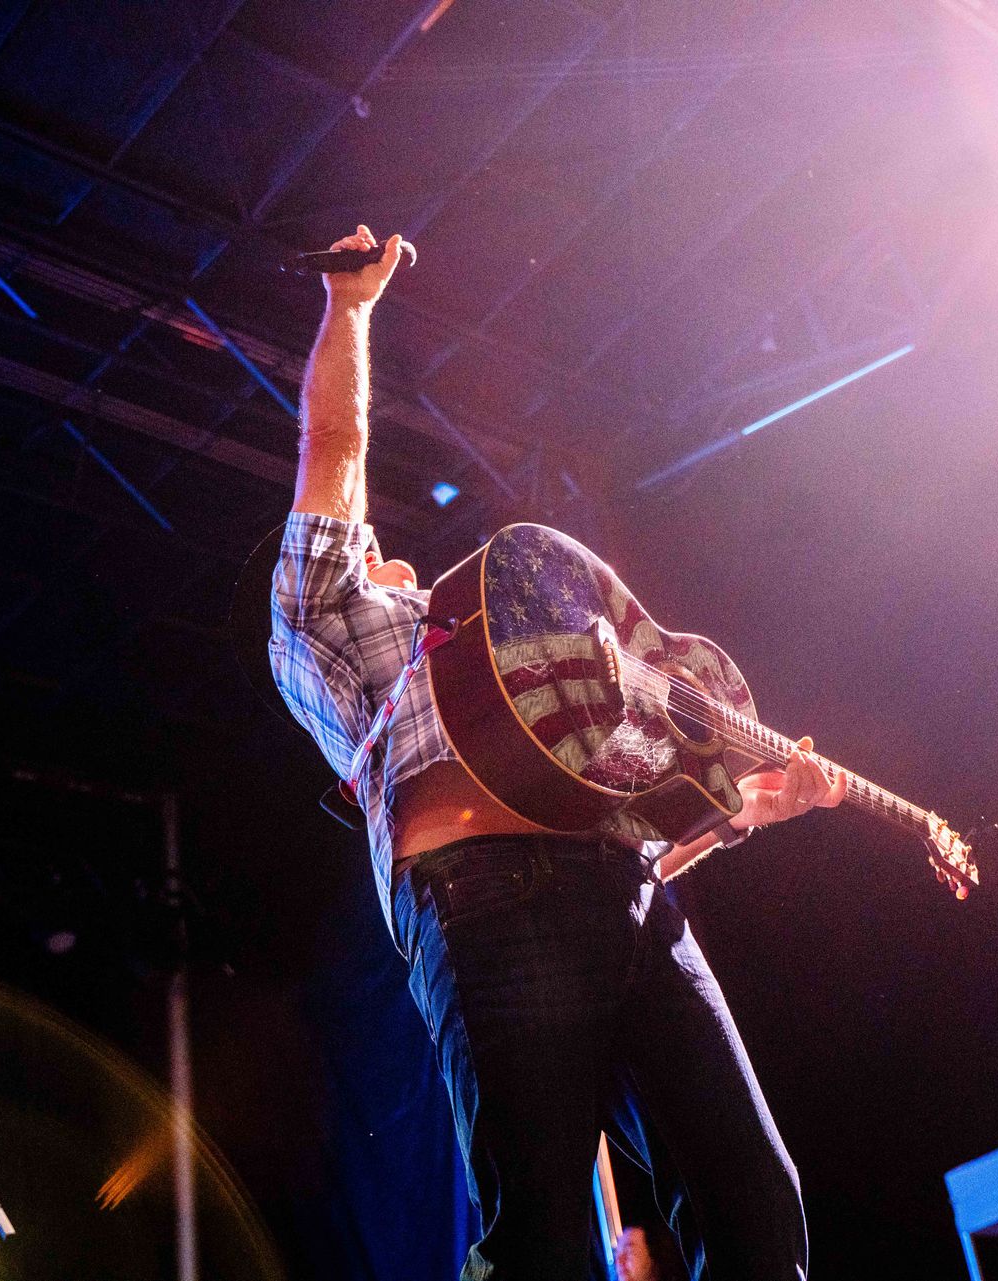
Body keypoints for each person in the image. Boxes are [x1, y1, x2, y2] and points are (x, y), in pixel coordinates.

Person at [269, 225, 844, 1280]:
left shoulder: (522, 672)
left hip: (628, 894)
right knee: (540, 1236)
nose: (400, 554)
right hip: (488, 896)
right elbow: (333, 457)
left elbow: (632, 814)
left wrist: (745, 813)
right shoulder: (340, 629)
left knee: (758, 1208)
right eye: (378, 554)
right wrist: (351, 309)